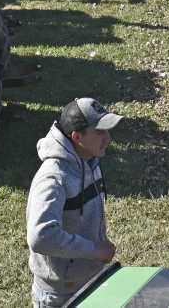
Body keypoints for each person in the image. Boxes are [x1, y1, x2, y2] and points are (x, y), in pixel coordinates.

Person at [26, 98, 122, 307]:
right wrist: (94, 250)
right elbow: (41, 236)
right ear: (77, 137)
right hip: (60, 296)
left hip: (90, 282)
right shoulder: (53, 178)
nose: (109, 138)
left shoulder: (89, 160)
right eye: (100, 132)